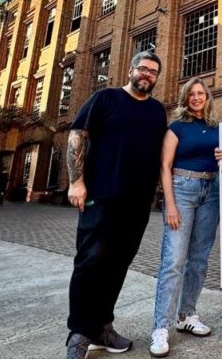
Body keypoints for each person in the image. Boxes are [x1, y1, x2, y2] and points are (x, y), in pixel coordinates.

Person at [65, 51, 168, 359]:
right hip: (102, 196)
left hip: (137, 203)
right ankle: (79, 334)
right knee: (90, 263)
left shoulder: (156, 111)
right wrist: (76, 181)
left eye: (153, 72)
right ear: (131, 69)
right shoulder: (105, 98)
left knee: (117, 265)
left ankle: (102, 326)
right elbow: (77, 136)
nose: (147, 75)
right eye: (143, 69)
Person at [150, 78, 221, 358]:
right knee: (174, 260)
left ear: (207, 97)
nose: (196, 97)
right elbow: (165, 167)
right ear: (185, 98)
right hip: (182, 189)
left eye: (201, 93)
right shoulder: (176, 127)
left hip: (211, 191)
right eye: (191, 94)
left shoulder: (217, 127)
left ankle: (186, 315)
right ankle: (161, 327)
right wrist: (170, 204)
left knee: (199, 259)